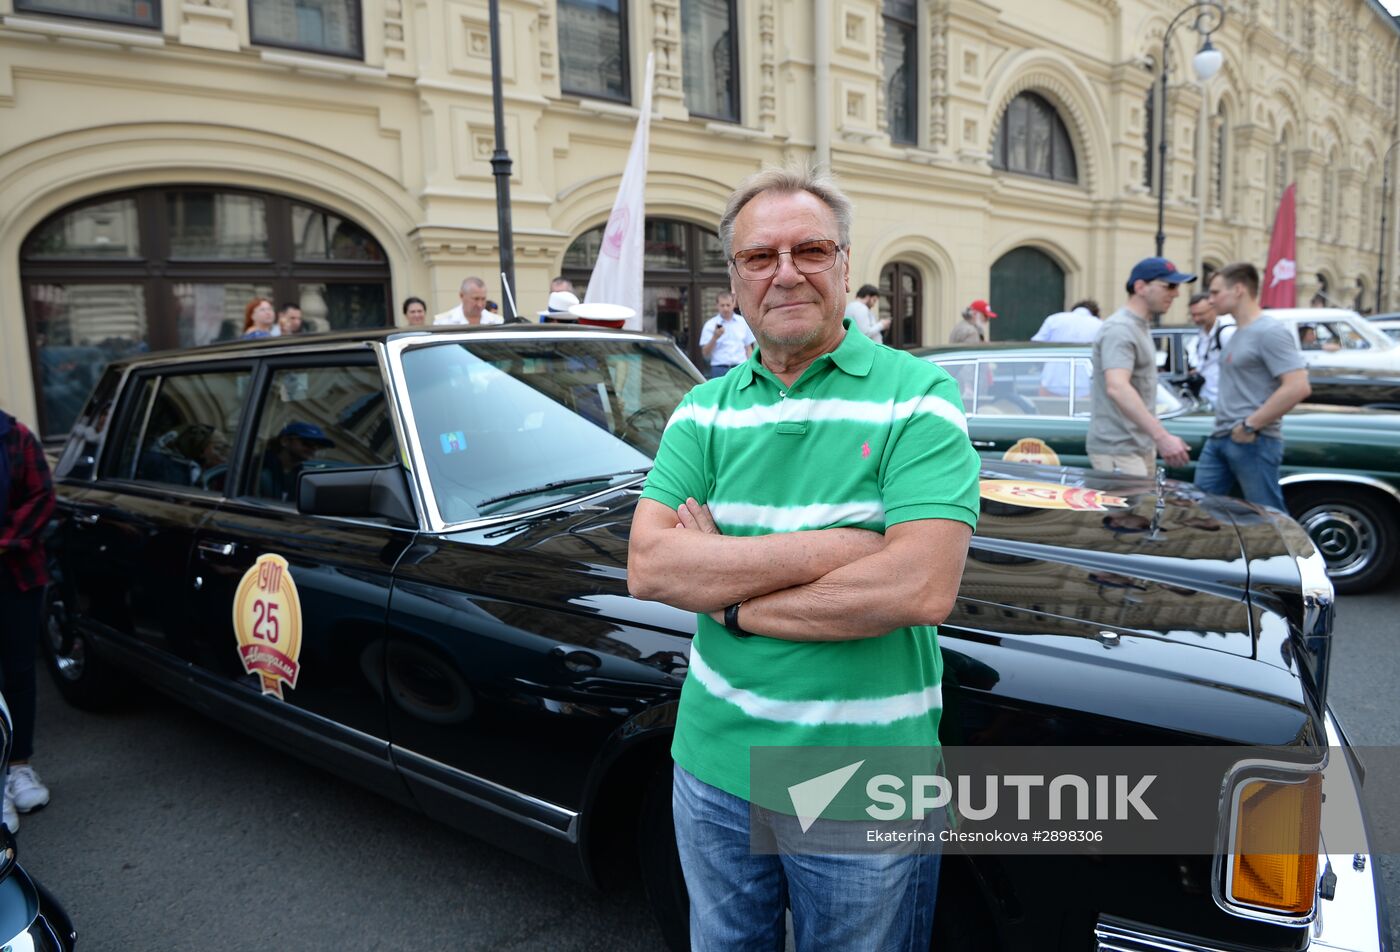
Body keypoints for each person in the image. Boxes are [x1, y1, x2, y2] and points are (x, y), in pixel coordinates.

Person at [627, 166, 980, 950]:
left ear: (846, 265)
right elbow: (651, 566)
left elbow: (919, 586)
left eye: (810, 249)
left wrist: (728, 594)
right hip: (711, 763)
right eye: (760, 257)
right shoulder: (702, 408)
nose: (785, 272)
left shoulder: (919, 397)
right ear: (735, 278)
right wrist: (844, 548)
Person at [1194, 262, 1311, 510]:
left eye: (1215, 292)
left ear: (1238, 289)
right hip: (1221, 436)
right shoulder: (1238, 332)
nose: (1211, 300)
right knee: (1201, 512)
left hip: (1253, 440)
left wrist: (1249, 425)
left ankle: (1284, 551)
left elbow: (1298, 386)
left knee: (1268, 516)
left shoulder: (1269, 331)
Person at [0, 409, 56, 833]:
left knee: (18, 670)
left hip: (15, 572)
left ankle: (18, 766)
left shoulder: (15, 437)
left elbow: (41, 496)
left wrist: (4, 542)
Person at [1087, 257, 1194, 475]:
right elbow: (1117, 387)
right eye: (1169, 286)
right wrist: (1162, 437)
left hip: (1134, 446)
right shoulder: (1120, 329)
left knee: (1140, 509)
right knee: (1128, 510)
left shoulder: (1137, 326)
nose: (1176, 293)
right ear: (1140, 287)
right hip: (1119, 448)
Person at [258, 422, 335, 502]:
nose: (313, 449)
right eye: (307, 443)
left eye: (319, 446)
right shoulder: (258, 466)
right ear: (285, 441)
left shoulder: (302, 480)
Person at [1187, 292, 1235, 404]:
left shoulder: (1226, 333)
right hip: (1206, 398)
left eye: (1200, 314)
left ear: (1214, 310)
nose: (1196, 319)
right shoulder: (1201, 334)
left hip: (1223, 400)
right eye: (1193, 315)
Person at [697, 292, 755, 377]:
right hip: (719, 369)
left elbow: (748, 348)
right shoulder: (710, 325)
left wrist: (752, 366)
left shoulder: (743, 322)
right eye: (722, 305)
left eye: (728, 305)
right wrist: (715, 337)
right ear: (717, 306)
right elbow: (705, 353)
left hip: (741, 367)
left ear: (733, 304)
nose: (725, 308)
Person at [433, 278, 504, 326]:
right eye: (476, 299)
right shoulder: (443, 322)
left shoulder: (497, 321)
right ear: (461, 296)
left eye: (483, 299)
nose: (480, 304)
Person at [1031, 299, 1102, 343]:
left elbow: (1037, 343)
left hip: (1053, 366)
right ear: (1095, 313)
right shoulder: (1100, 324)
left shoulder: (1054, 319)